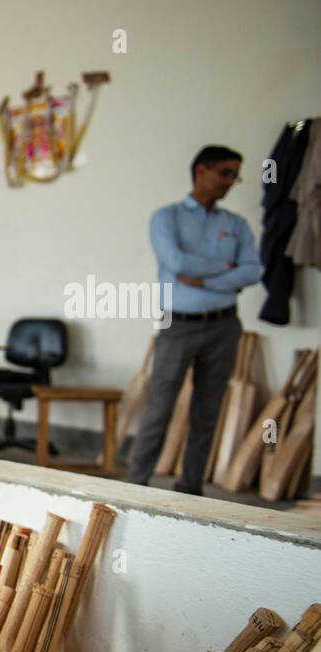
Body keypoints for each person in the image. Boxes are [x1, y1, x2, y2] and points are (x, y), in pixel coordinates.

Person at [128, 145, 261, 495]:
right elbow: (177, 262)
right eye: (226, 173)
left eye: (235, 176)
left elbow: (252, 270)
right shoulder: (166, 218)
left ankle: (190, 489)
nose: (231, 182)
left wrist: (206, 278)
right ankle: (135, 486)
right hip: (179, 324)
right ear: (201, 171)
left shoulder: (235, 224)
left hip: (224, 326)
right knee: (160, 407)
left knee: (208, 411)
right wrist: (225, 270)